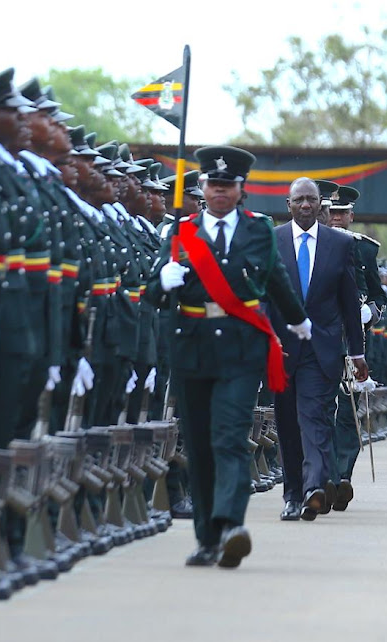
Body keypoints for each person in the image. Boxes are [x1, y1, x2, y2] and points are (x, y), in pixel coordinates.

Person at [145, 145, 310, 568]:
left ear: (240, 190)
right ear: (202, 188)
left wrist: (298, 320)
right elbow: (152, 296)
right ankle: (207, 537)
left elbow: (275, 278)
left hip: (240, 346)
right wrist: (163, 281)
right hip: (192, 345)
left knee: (230, 436)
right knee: (199, 445)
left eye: (227, 185)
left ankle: (232, 524)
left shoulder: (258, 229)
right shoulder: (179, 233)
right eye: (212, 185)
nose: (219, 192)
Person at [268, 177, 367, 522]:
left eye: (312, 200)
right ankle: (293, 494)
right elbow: (264, 297)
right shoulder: (273, 240)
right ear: (289, 204)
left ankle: (313, 488)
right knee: (288, 424)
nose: (306, 205)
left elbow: (349, 302)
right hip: (282, 349)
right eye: (300, 200)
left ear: (321, 204)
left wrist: (357, 352)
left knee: (314, 418)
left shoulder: (339, 244)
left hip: (321, 347)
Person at [328, 184, 385, 508]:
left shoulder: (364, 249)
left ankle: (342, 476)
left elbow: (378, 293)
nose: (335, 218)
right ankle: (323, 476)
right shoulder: (310, 245)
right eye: (330, 212)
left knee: (348, 411)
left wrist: (371, 312)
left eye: (341, 213)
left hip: (354, 340)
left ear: (351, 216)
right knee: (320, 409)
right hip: (321, 336)